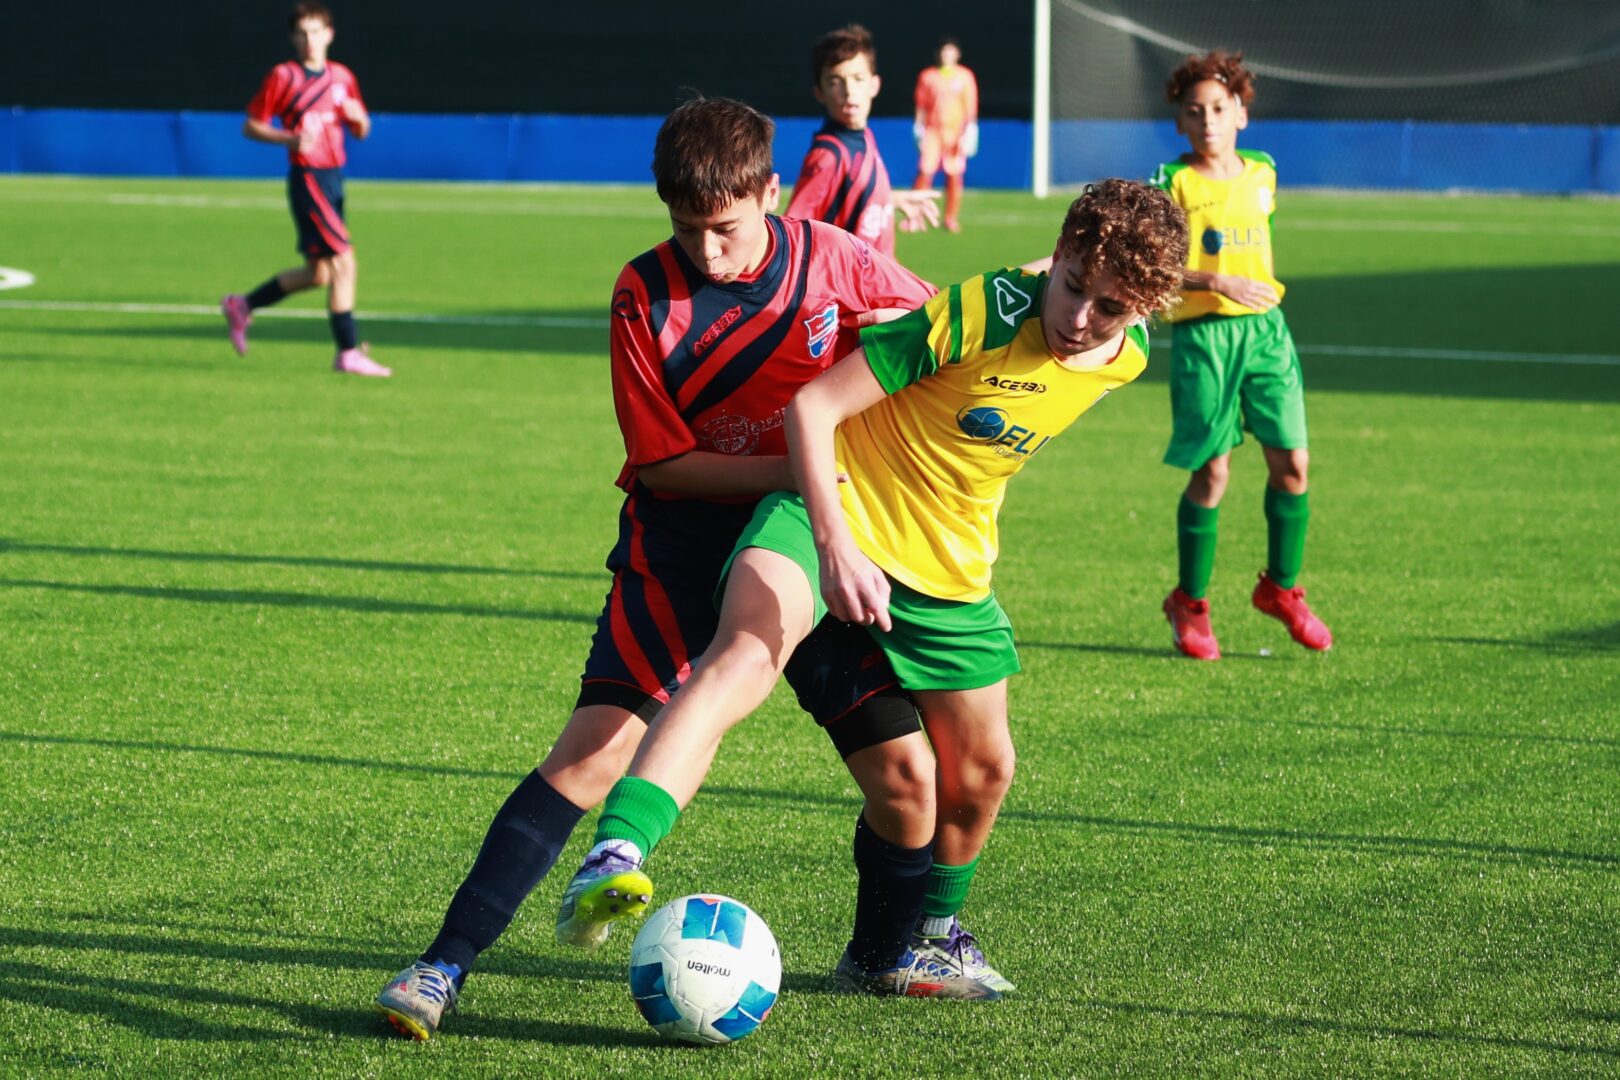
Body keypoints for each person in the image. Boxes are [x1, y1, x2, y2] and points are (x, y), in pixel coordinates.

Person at [373, 96, 1003, 1042]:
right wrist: (805, 465)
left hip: (808, 533)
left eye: (726, 228)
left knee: (908, 776)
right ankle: (440, 967)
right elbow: (664, 465)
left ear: (772, 193)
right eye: (686, 228)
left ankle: (882, 956)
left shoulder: (834, 259)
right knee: (593, 751)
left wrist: (937, 329)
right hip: (682, 540)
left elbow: (949, 332)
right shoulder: (643, 293)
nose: (707, 251)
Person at [553, 180, 1188, 999]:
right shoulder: (981, 311)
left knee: (984, 768)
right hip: (833, 508)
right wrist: (834, 546)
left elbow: (1099, 289)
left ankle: (927, 939)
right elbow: (812, 408)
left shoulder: (1125, 356)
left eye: (1111, 308)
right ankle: (617, 851)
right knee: (744, 652)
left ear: (1144, 311)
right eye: (1071, 289)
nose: (1080, 319)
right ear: (1058, 258)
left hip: (947, 561)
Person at [1152, 51, 1332, 660]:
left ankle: (1280, 589)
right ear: (1180, 121)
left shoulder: (1263, 172)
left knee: (1294, 465)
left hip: (1266, 334)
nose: (1207, 120)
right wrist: (1217, 281)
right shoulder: (1171, 182)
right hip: (1205, 339)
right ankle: (1189, 602)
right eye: (1194, 111)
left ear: (1241, 114)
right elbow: (1153, 264)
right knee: (1213, 473)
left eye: (1219, 108)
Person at [219, 2, 390, 377]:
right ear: (293, 39)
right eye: (302, 33)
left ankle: (242, 305)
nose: (310, 39)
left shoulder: (342, 77)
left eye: (315, 31)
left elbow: (360, 129)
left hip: (334, 178)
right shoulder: (284, 77)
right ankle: (347, 352)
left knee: (320, 275)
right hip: (308, 177)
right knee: (345, 262)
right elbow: (251, 126)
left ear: (329, 35)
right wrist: (290, 139)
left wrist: (361, 120)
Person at [786, 24, 941, 257]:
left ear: (874, 85)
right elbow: (791, 235)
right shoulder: (828, 157)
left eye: (858, 79)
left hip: (879, 276)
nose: (849, 91)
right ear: (819, 93)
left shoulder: (863, 136)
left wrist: (888, 199)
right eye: (835, 81)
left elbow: (849, 197)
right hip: (851, 281)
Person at [913, 37, 979, 233]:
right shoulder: (928, 76)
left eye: (950, 51)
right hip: (933, 131)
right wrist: (918, 127)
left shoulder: (965, 76)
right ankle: (915, 216)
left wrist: (971, 129)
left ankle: (950, 218)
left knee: (954, 174)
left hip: (955, 133)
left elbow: (970, 104)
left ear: (957, 54)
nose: (946, 55)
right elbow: (921, 104)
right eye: (944, 51)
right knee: (925, 172)